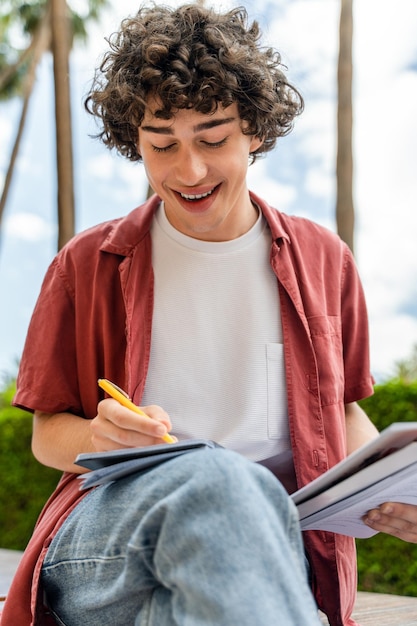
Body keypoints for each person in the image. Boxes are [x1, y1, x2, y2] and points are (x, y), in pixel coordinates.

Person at [2, 4, 417, 626]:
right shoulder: (87, 263)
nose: (188, 171)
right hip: (108, 539)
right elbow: (45, 433)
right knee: (218, 477)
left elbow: (346, 408)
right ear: (133, 141)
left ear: (253, 130)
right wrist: (98, 437)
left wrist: (386, 490)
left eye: (214, 139)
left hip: (277, 541)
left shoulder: (323, 259)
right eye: (161, 145)